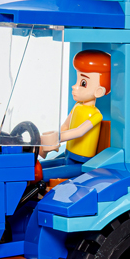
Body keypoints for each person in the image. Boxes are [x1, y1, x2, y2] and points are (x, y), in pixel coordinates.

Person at [39, 50, 110, 179]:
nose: (74, 86)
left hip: (82, 162)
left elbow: (79, 132)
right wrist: (52, 141)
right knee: (39, 166)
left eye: (83, 83)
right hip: (68, 154)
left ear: (99, 91)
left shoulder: (96, 115)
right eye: (77, 80)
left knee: (41, 174)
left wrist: (58, 138)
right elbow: (66, 126)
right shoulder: (77, 106)